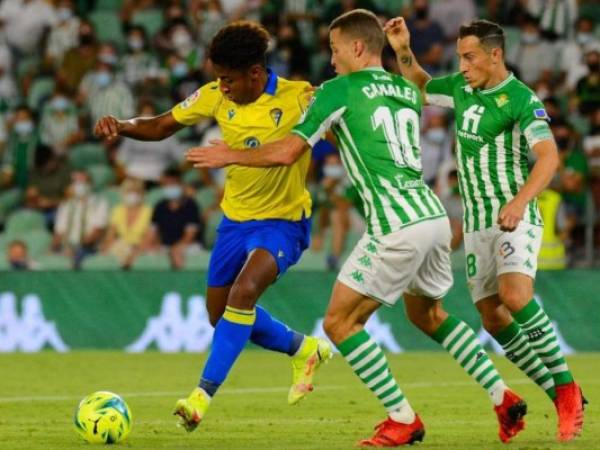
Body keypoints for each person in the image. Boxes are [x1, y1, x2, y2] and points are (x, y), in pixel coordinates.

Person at [187, 9, 527, 446]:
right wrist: (402, 53)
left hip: (395, 224)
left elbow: (287, 152)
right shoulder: (405, 89)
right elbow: (383, 110)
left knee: (339, 323)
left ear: (358, 48)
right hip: (432, 215)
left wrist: (227, 155)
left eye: (334, 49)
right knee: (430, 315)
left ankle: (402, 417)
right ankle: (502, 395)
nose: (330, 60)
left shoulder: (337, 90)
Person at [93, 21, 331, 432]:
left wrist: (230, 155)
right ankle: (304, 348)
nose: (221, 86)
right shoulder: (214, 96)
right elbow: (163, 124)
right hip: (234, 221)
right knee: (219, 314)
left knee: (243, 294)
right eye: (218, 78)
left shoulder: (300, 97)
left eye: (228, 79)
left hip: (283, 222)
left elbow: (289, 153)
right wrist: (124, 125)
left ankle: (200, 396)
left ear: (255, 73)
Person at [387, 16, 586, 441]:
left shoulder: (520, 99)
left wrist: (519, 202)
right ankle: (557, 393)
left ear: (496, 54)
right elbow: (421, 85)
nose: (462, 65)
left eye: (470, 56)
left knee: (516, 297)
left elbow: (549, 158)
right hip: (478, 222)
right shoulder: (461, 89)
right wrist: (403, 49)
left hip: (513, 214)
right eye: (460, 57)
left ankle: (567, 388)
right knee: (492, 318)